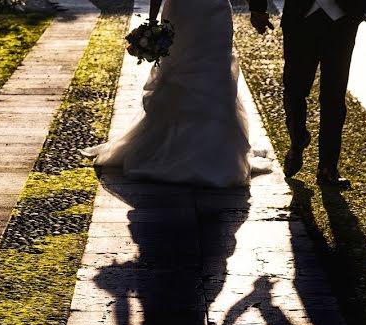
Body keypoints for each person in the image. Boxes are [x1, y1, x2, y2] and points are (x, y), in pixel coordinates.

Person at [82, 0, 252, 188]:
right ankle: (209, 155)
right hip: (191, 13)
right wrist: (153, 20)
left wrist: (153, 18)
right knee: (186, 69)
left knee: (212, 70)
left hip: (206, 12)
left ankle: (213, 151)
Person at [249, 0, 366, 189]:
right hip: (299, 18)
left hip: (343, 20)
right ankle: (297, 138)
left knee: (334, 96)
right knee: (294, 89)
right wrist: (257, 8)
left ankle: (328, 168)